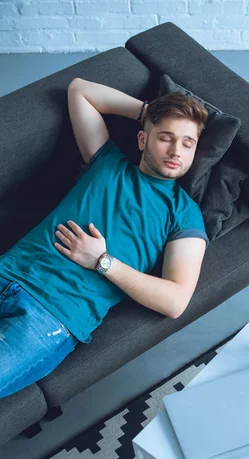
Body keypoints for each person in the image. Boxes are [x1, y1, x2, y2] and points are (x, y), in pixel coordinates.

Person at [0, 78, 210, 398]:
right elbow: (79, 91)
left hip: (52, 315)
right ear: (142, 139)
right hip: (9, 270)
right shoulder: (107, 161)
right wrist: (148, 111)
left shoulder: (184, 214)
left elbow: (175, 300)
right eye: (165, 138)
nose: (175, 151)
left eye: (187, 143)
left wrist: (102, 261)